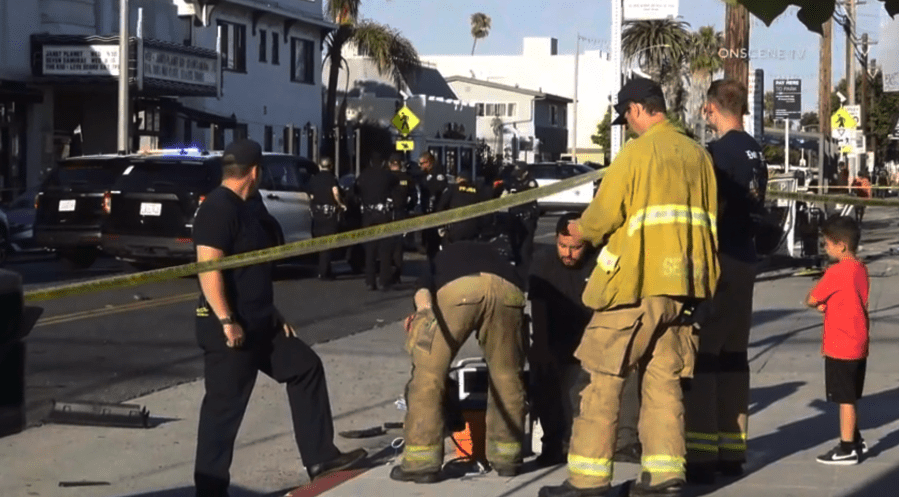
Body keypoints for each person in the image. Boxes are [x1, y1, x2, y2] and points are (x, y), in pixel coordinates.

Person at [539, 77, 719, 497]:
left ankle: (586, 482)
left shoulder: (636, 153)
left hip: (636, 287)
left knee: (603, 380)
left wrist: (575, 228)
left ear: (638, 109)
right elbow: (712, 222)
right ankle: (664, 477)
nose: (628, 124)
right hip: (684, 290)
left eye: (626, 116)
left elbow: (603, 216)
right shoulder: (697, 155)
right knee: (663, 383)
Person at [192, 139, 366, 496]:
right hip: (230, 327)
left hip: (262, 323)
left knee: (305, 368)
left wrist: (272, 312)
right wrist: (227, 320)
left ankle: (321, 458)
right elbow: (208, 269)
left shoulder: (249, 206)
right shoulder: (217, 208)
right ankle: (210, 488)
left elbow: (251, 272)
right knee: (223, 411)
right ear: (255, 172)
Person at [683, 79, 766, 484]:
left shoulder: (716, 154)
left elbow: (706, 206)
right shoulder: (755, 150)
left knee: (706, 358)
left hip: (721, 259)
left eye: (705, 111)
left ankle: (701, 455)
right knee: (735, 356)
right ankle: (733, 451)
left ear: (712, 109)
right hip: (747, 257)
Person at [390, 241, 528, 483]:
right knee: (506, 375)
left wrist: (422, 316)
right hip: (508, 290)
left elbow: (423, 294)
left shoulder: (439, 259)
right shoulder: (495, 253)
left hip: (459, 291)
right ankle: (508, 459)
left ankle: (421, 464)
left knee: (429, 375)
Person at [528, 213, 642, 468]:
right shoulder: (542, 264)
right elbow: (539, 311)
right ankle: (555, 444)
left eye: (575, 247)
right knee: (542, 372)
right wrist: (543, 350)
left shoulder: (601, 262)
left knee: (630, 368)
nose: (568, 253)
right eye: (563, 246)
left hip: (594, 336)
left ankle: (625, 441)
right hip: (558, 336)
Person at [806, 216, 870, 465]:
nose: (825, 248)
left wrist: (821, 303)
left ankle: (846, 448)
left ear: (841, 245)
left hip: (840, 344)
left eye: (827, 244)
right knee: (851, 395)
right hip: (859, 342)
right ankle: (855, 437)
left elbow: (812, 298)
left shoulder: (836, 272)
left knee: (845, 400)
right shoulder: (860, 268)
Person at [355, 153, 398, 291]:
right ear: (384, 162)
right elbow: (396, 184)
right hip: (383, 215)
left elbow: (355, 191)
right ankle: (384, 280)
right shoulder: (387, 175)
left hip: (368, 215)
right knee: (385, 249)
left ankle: (370, 280)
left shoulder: (363, 176)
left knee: (370, 250)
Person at [308, 157, 346, 280]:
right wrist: (341, 205)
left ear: (320, 166)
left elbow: (311, 195)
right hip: (329, 213)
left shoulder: (314, 179)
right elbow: (335, 193)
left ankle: (325, 269)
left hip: (317, 213)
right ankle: (324, 272)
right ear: (331, 166)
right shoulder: (332, 178)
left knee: (320, 242)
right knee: (328, 243)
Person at [505, 164, 540, 278]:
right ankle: (515, 269)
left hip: (527, 216)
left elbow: (532, 199)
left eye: (519, 172)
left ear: (525, 172)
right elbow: (505, 195)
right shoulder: (512, 181)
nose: (517, 175)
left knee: (525, 247)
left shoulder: (531, 183)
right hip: (514, 216)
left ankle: (525, 273)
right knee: (513, 244)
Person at [437, 174, 491, 243]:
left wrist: (440, 226)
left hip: (455, 227)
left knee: (452, 249)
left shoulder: (453, 188)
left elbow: (441, 206)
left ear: (458, 179)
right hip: (473, 228)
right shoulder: (477, 190)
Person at [388, 153, 416, 285]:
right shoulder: (407, 178)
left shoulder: (385, 177)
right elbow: (414, 197)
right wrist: (408, 208)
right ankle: (397, 274)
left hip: (387, 213)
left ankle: (386, 272)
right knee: (398, 245)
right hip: (401, 213)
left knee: (386, 244)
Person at [417, 152, 448, 268]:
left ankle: (437, 268)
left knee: (435, 245)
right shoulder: (423, 175)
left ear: (429, 162)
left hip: (436, 214)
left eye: (422, 163)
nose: (420, 166)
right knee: (428, 244)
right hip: (427, 213)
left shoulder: (438, 175)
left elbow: (438, 193)